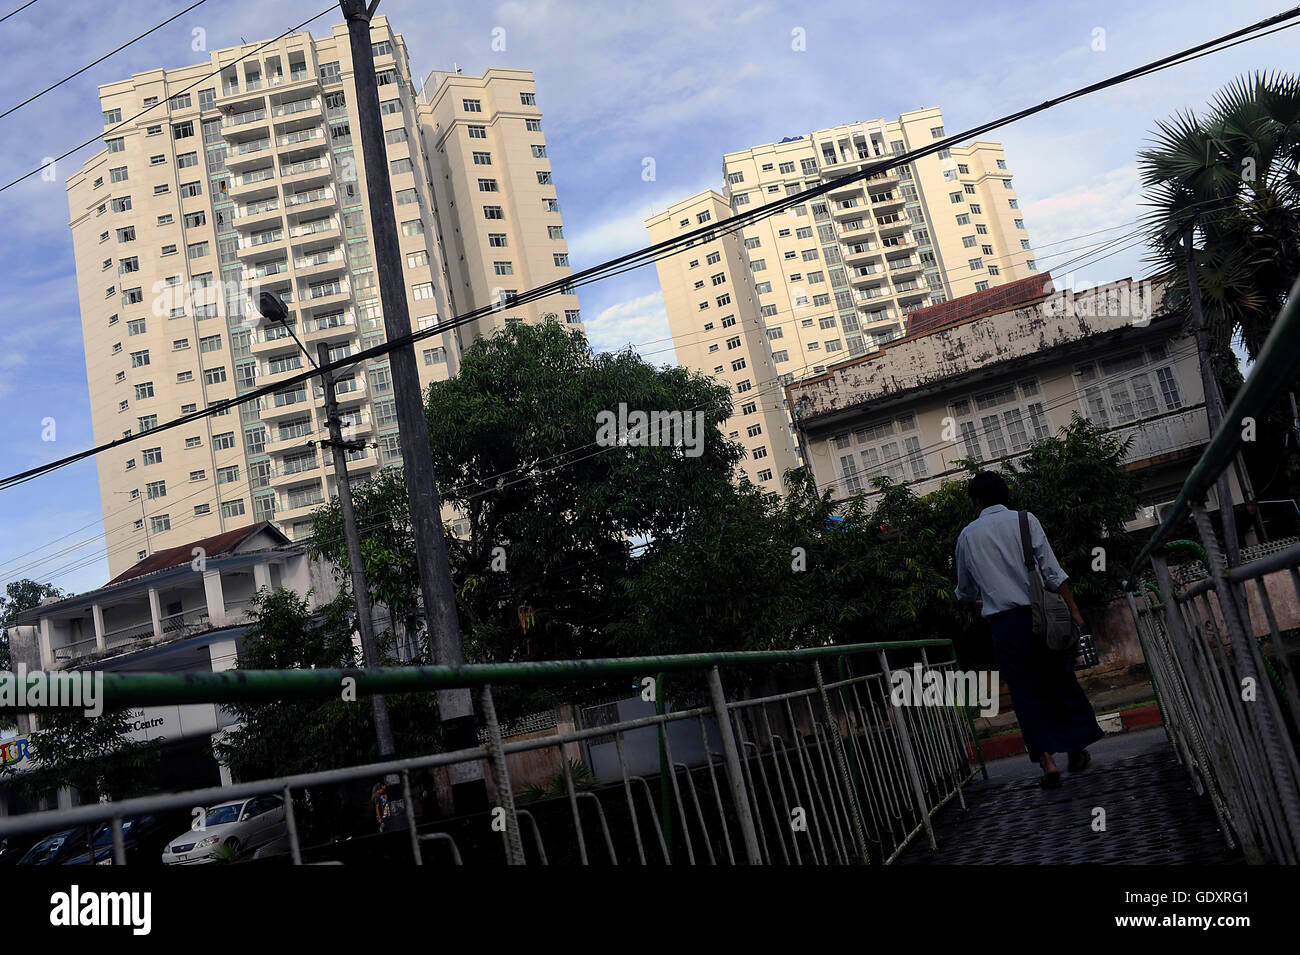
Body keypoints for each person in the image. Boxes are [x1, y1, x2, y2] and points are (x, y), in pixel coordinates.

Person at [954, 471, 1103, 789]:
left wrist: (979, 601)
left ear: (977, 501)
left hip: (1005, 627)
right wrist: (1074, 610)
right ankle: (1075, 748)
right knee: (1059, 681)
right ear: (1004, 495)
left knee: (1024, 694)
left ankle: (1047, 762)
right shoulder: (1025, 520)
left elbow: (965, 591)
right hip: (1043, 617)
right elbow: (1052, 571)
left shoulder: (967, 536)